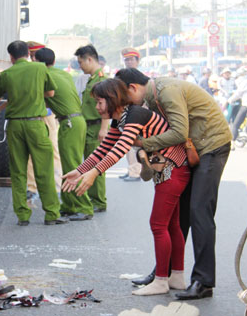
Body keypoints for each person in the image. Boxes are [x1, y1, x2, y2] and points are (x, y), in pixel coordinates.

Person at [62, 78, 190, 296]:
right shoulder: (121, 119)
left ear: (112, 99)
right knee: (171, 225)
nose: (97, 107)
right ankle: (176, 277)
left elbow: (120, 149)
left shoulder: (135, 115)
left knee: (159, 225)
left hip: (172, 169)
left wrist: (94, 173)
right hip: (170, 169)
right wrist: (82, 169)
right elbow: (104, 148)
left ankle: (161, 281)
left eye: (100, 101)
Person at [115, 68, 231, 300]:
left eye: (123, 98)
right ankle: (164, 273)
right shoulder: (152, 96)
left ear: (132, 88)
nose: (125, 105)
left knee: (199, 211)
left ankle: (203, 281)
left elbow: (179, 132)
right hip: (194, 149)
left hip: (211, 146)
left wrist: (143, 143)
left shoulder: (166, 91)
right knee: (178, 216)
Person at [0, 40, 69, 226]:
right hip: (36, 125)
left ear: (11, 57)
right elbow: (50, 94)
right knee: (44, 169)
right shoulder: (40, 69)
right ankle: (51, 214)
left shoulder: (6, 74)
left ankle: (23, 216)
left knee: (18, 171)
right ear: (28, 53)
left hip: (15, 126)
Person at [34, 48, 93, 220]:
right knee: (69, 165)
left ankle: (84, 207)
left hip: (69, 122)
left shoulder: (44, 76)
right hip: (76, 121)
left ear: (38, 62)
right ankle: (69, 205)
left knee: (73, 167)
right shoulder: (64, 74)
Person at [25, 41, 63, 203]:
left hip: (48, 116)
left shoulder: (50, 73)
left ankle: (57, 186)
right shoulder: (30, 72)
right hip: (34, 116)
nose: (34, 59)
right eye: (32, 56)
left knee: (53, 150)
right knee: (30, 154)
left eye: (36, 56)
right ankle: (32, 188)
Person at [75, 45, 110, 212]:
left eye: (81, 62)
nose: (80, 66)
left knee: (97, 164)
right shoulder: (92, 78)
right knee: (90, 163)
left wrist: (104, 129)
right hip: (88, 126)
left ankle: (99, 201)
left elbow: (108, 106)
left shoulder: (101, 79)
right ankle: (93, 197)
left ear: (90, 59)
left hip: (96, 126)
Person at [119, 47, 142, 182]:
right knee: (127, 145)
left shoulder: (139, 77)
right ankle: (131, 169)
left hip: (135, 112)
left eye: (131, 59)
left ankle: (135, 172)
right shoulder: (123, 76)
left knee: (133, 144)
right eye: (126, 60)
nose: (129, 62)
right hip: (125, 112)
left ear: (137, 61)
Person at [226, 70, 247, 150]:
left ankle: (232, 143)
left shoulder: (246, 82)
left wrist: (229, 100)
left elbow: (238, 94)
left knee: (236, 124)